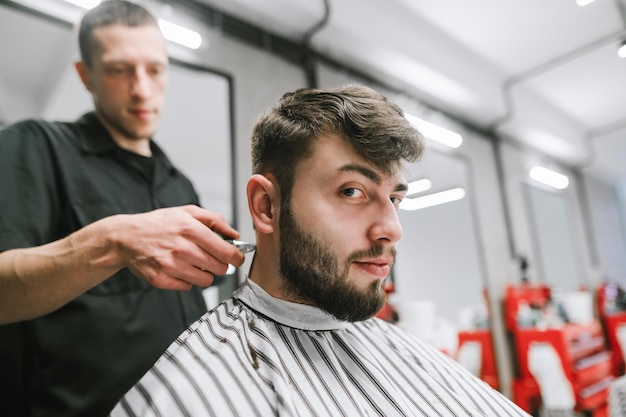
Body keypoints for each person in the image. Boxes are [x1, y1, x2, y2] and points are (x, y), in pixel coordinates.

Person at [109, 85, 530, 417]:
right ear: (266, 206)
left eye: (394, 199)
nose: (392, 229)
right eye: (352, 191)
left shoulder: (406, 353)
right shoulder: (190, 389)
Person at [0, 1, 244, 416]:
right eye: (119, 70)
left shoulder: (178, 183)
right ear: (86, 74)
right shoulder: (37, 147)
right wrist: (114, 242)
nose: (142, 89)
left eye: (155, 69)